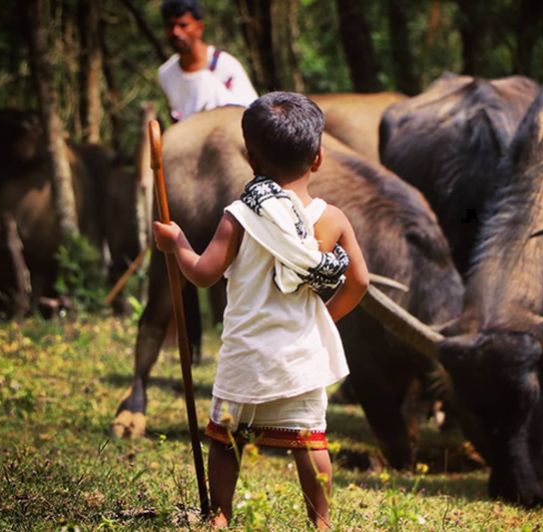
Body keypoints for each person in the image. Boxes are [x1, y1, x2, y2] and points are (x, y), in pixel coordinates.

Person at [153, 92, 369, 528]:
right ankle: (321, 522)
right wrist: (325, 318)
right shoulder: (333, 220)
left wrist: (177, 243)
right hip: (300, 357)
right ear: (319, 158)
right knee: (310, 442)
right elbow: (359, 281)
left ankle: (220, 516)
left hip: (247, 353)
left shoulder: (240, 215)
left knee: (225, 437)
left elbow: (203, 275)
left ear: (250, 158)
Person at [159, 0, 258, 121]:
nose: (176, 32)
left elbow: (252, 111)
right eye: (170, 26)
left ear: (199, 28)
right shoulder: (166, 74)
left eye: (183, 25)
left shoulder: (225, 64)